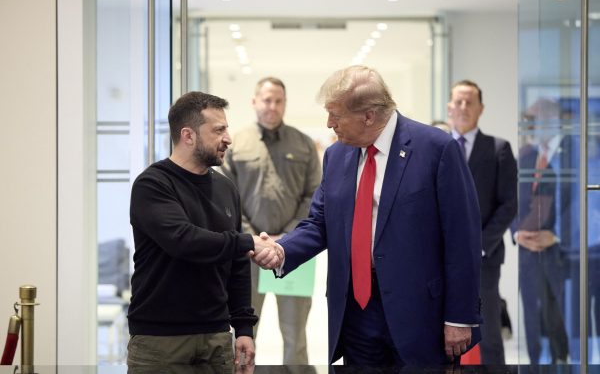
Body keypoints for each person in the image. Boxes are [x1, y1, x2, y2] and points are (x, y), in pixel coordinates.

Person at [258, 65, 483, 365]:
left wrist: (460, 316)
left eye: (335, 115)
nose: (328, 124)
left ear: (368, 115)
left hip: (419, 313)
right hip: (356, 312)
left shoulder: (436, 149)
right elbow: (321, 223)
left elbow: (462, 237)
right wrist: (282, 249)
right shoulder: (337, 155)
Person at [127, 91, 282, 368]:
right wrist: (247, 241)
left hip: (216, 337)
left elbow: (236, 264)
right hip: (160, 340)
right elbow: (183, 240)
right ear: (188, 136)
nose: (228, 138)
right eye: (218, 130)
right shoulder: (152, 185)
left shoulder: (225, 187)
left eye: (227, 128)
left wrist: (244, 328)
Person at [221, 77, 322, 364]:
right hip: (247, 255)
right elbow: (227, 199)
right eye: (267, 99)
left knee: (295, 334)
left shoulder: (302, 144)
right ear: (254, 102)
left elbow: (313, 196)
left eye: (278, 100)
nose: (272, 106)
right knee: (243, 333)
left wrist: (287, 240)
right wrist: (254, 239)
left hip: (294, 255)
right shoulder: (237, 143)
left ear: (285, 104)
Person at [447, 80, 518, 364]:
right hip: (440, 257)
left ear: (481, 108)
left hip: (484, 258)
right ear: (449, 107)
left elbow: (509, 204)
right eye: (459, 102)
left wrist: (479, 245)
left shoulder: (498, 149)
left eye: (470, 102)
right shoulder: (436, 147)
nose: (464, 107)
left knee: (487, 331)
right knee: (438, 332)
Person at [513, 98, 571, 364]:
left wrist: (557, 233)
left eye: (533, 119)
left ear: (552, 119)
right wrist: (517, 233)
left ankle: (565, 362)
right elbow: (510, 201)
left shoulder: (575, 153)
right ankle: (535, 365)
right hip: (528, 253)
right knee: (533, 316)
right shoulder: (524, 156)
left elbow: (586, 202)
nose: (530, 124)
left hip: (565, 253)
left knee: (561, 316)